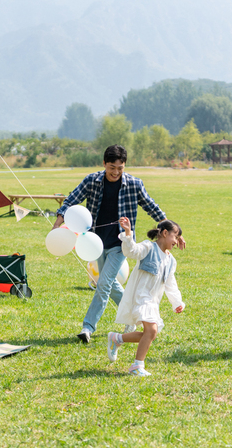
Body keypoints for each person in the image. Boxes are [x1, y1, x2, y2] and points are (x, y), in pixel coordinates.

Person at [53, 144, 184, 343]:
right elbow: (72, 199)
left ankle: (87, 327)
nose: (116, 172)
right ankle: (132, 319)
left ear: (125, 166)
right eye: (112, 167)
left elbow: (152, 207)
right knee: (110, 283)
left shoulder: (134, 184)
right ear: (104, 164)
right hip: (95, 241)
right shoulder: (91, 181)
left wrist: (175, 231)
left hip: (121, 243)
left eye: (120, 168)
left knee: (103, 284)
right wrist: (58, 222)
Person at [106, 217, 185, 376]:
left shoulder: (171, 260)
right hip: (140, 297)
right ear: (164, 233)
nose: (176, 241)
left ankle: (117, 338)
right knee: (152, 330)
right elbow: (131, 251)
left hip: (153, 301)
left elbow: (170, 283)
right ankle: (137, 366)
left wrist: (177, 301)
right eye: (175, 236)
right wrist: (128, 233)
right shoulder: (148, 247)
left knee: (150, 333)